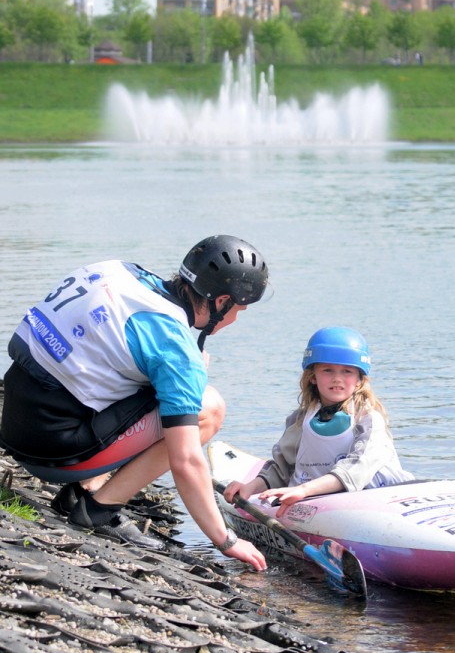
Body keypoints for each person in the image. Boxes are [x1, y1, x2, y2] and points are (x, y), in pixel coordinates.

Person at [0, 234, 268, 570]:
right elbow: (185, 460)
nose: (236, 319)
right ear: (222, 301)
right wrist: (225, 540)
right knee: (208, 408)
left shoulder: (117, 271)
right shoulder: (174, 347)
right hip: (50, 455)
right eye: (239, 310)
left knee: (146, 377)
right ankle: (98, 509)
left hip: (15, 423)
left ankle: (84, 487)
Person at [224, 327, 414, 516]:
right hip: (317, 504)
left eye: (347, 371)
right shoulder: (299, 421)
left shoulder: (369, 419)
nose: (337, 379)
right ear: (313, 377)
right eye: (327, 370)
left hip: (375, 502)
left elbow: (358, 467)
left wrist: (303, 490)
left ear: (359, 380)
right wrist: (250, 487)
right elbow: (282, 470)